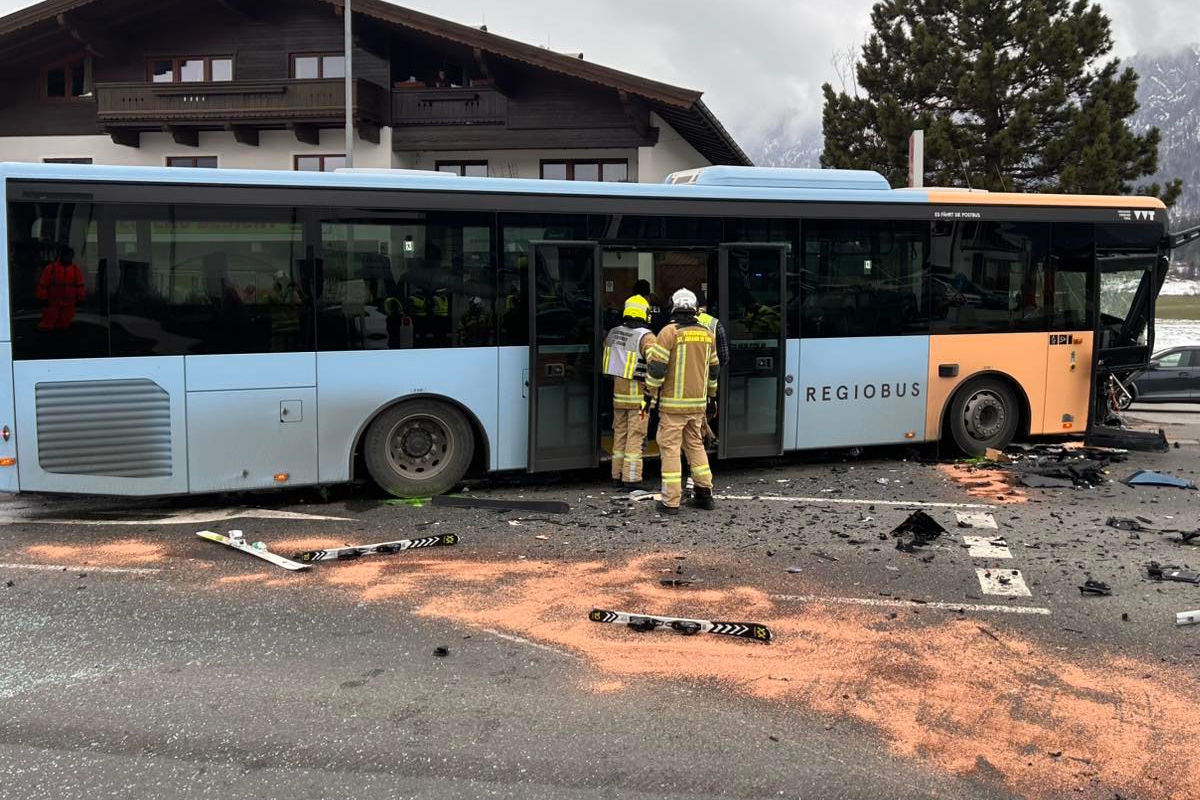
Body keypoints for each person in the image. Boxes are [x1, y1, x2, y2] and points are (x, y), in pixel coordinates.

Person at [644, 288, 719, 514]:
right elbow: (713, 371)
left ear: (674, 306)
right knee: (695, 446)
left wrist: (650, 393)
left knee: (670, 450)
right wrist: (711, 398)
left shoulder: (669, 332)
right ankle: (704, 494)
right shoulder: (707, 334)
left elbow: (657, 368)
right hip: (697, 405)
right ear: (695, 308)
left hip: (673, 406)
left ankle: (670, 501)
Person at [602, 297, 657, 489]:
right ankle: (632, 479)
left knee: (620, 435)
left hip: (619, 396)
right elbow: (656, 365)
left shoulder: (613, 333)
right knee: (636, 436)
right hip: (640, 399)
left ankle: (616, 474)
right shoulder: (646, 337)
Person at [36, 245, 86, 331]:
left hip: (69, 306)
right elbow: (43, 285)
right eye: (66, 255)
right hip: (53, 305)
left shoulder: (76, 270)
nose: (68, 258)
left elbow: (80, 286)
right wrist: (43, 298)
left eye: (69, 256)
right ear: (61, 256)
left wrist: (81, 299)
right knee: (47, 326)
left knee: (63, 328)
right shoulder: (51, 269)